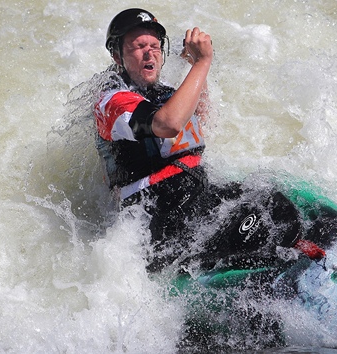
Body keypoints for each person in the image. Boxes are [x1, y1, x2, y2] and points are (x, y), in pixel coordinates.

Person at [93, 8, 310, 273]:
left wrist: (195, 67)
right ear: (117, 56)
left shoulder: (164, 95)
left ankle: (304, 251)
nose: (149, 53)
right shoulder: (112, 102)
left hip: (194, 201)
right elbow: (168, 124)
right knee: (258, 224)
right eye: (138, 47)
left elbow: (199, 123)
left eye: (154, 46)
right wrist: (202, 62)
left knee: (271, 196)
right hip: (159, 220)